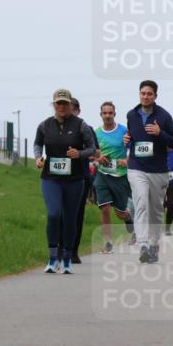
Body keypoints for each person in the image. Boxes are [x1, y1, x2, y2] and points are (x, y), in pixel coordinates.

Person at [34, 89, 96, 274]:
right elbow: (38, 144)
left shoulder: (81, 125)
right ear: (54, 105)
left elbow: (92, 148)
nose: (61, 106)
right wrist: (38, 157)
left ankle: (68, 258)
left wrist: (79, 153)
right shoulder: (44, 125)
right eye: (58, 103)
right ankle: (53, 257)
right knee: (54, 214)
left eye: (65, 103)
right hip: (51, 178)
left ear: (70, 105)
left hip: (74, 180)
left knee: (70, 218)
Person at [123, 80, 173, 264]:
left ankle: (154, 246)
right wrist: (127, 139)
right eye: (143, 93)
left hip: (158, 170)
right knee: (141, 204)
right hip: (136, 167)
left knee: (155, 210)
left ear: (155, 96)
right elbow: (132, 137)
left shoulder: (164, 116)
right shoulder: (131, 114)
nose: (145, 96)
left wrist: (159, 133)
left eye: (149, 94)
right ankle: (143, 244)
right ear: (139, 94)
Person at [94, 101, 135, 254]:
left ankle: (128, 217)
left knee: (119, 213)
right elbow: (92, 152)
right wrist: (98, 158)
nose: (107, 116)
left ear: (114, 114)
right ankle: (108, 242)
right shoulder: (96, 133)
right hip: (102, 174)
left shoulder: (124, 131)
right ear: (101, 115)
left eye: (110, 113)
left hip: (120, 176)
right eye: (105, 113)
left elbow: (134, 149)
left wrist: (128, 160)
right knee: (104, 208)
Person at [64, 98, 98, 263]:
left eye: (71, 108)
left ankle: (73, 251)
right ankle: (58, 248)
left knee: (77, 214)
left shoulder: (87, 128)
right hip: (58, 177)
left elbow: (95, 152)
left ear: (77, 110)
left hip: (81, 176)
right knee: (58, 214)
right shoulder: (54, 127)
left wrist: (80, 153)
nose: (67, 111)